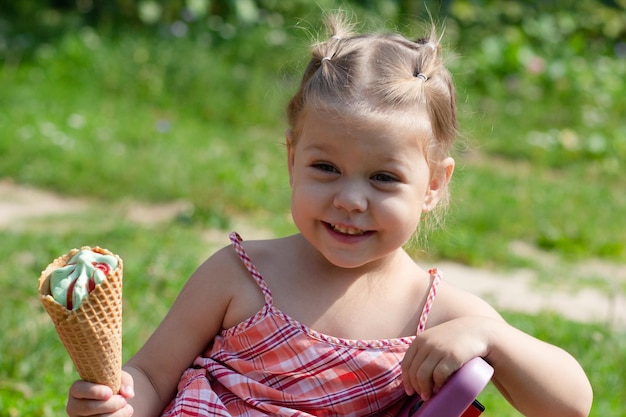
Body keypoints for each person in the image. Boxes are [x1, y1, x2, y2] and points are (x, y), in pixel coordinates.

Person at [66, 12, 593, 417]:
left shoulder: (437, 314)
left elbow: (571, 404)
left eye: (383, 178)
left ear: (433, 185)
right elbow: (154, 375)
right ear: (291, 159)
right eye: (325, 167)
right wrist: (118, 403)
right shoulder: (238, 274)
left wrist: (491, 336)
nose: (350, 200)